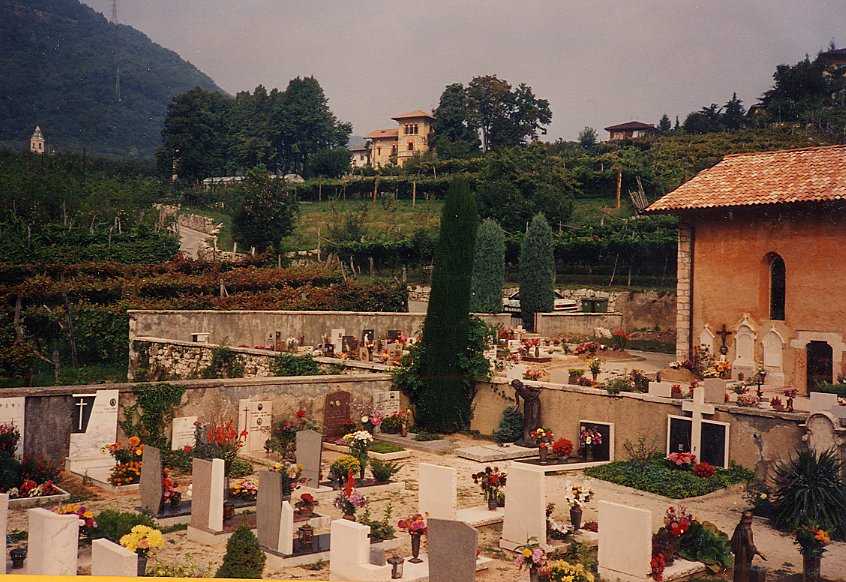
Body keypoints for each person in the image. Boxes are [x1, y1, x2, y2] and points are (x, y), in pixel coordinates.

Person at [731, 511, 766, 582]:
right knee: (744, 573)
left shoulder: (739, 527)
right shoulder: (748, 530)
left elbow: (733, 540)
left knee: (738, 572)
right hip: (744, 555)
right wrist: (759, 553)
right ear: (750, 520)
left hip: (738, 554)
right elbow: (750, 546)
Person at [510, 379, 541, 447]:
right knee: (527, 419)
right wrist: (514, 410)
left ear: (519, 384)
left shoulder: (526, 387)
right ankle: (527, 436)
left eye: (517, 385)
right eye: (515, 386)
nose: (516, 387)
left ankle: (533, 435)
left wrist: (536, 393)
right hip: (527, 404)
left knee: (534, 417)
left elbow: (537, 390)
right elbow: (517, 403)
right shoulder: (517, 393)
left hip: (535, 402)